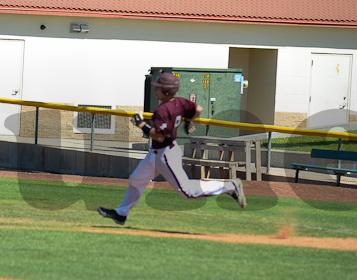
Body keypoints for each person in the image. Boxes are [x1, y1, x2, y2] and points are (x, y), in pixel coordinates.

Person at [98, 72, 246, 225]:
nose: (156, 90)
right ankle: (121, 213)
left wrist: (141, 124)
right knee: (136, 180)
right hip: (157, 153)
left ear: (167, 90)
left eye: (159, 88)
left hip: (165, 154)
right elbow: (199, 109)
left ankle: (229, 186)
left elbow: (159, 136)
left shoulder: (163, 111)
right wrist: (189, 121)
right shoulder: (180, 102)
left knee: (187, 192)